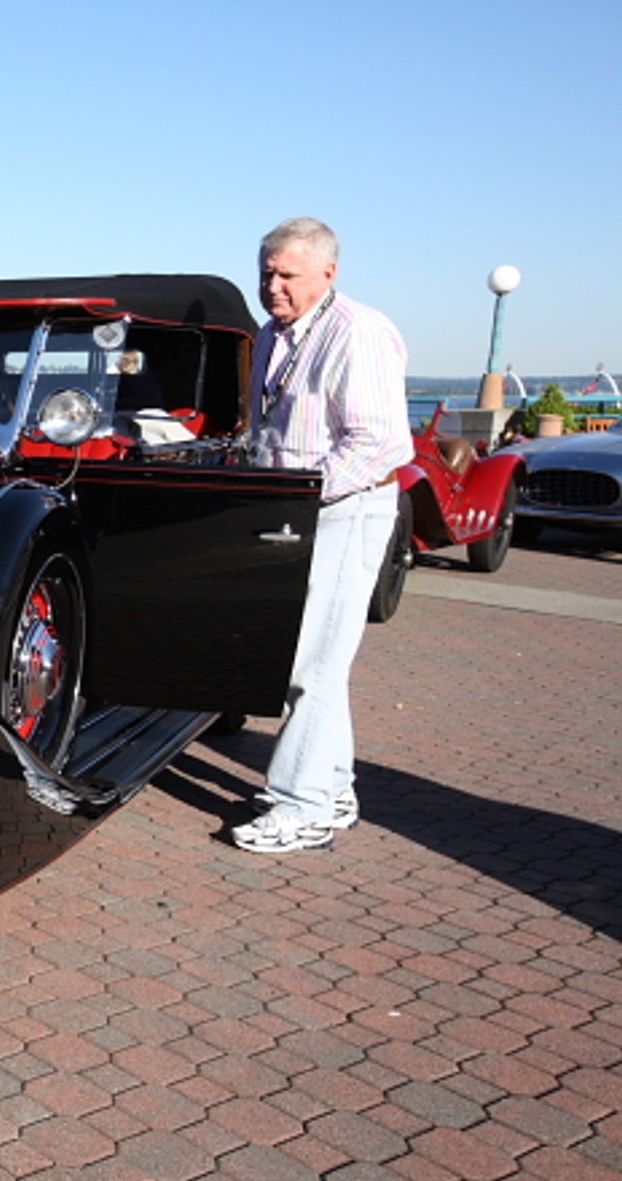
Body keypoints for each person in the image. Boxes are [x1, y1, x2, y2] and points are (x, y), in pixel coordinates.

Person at [233, 217, 412, 854]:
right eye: (266, 274)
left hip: (345, 511)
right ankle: (333, 789)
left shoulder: (357, 332)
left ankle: (299, 805)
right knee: (318, 661)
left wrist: (301, 495)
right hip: (297, 514)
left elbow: (380, 442)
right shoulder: (273, 334)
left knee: (311, 663)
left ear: (329, 273)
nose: (272, 286)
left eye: (287, 275)